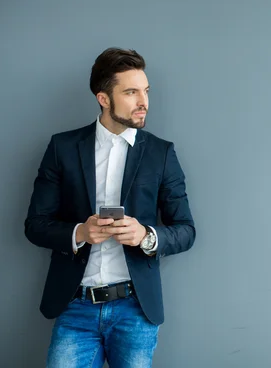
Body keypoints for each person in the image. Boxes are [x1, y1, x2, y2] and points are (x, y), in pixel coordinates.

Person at [24, 47, 195, 367]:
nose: (143, 101)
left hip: (135, 310)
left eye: (145, 91)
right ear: (103, 98)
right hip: (75, 310)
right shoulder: (62, 148)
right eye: (131, 92)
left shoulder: (162, 153)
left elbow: (186, 230)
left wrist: (146, 235)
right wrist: (80, 232)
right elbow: (35, 224)